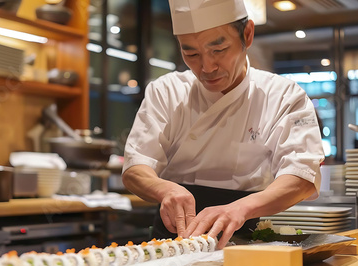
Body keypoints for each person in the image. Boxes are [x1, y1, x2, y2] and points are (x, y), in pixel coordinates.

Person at [121, 0, 325, 250]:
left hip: (244, 237)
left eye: (219, 50)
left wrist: (241, 208)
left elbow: (302, 176)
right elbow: (135, 168)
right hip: (173, 239)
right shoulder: (166, 91)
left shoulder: (283, 95)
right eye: (191, 54)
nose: (207, 67)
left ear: (247, 35)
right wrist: (164, 189)